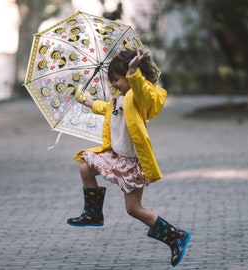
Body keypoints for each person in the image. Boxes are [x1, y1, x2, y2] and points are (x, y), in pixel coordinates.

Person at [67, 50, 191, 267]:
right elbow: (108, 109)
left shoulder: (139, 96)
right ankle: (93, 214)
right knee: (86, 168)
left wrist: (134, 74)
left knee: (133, 209)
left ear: (131, 75)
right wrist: (87, 101)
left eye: (117, 79)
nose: (114, 84)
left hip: (132, 162)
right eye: (112, 80)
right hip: (115, 156)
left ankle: (175, 236)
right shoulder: (120, 98)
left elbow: (145, 92)